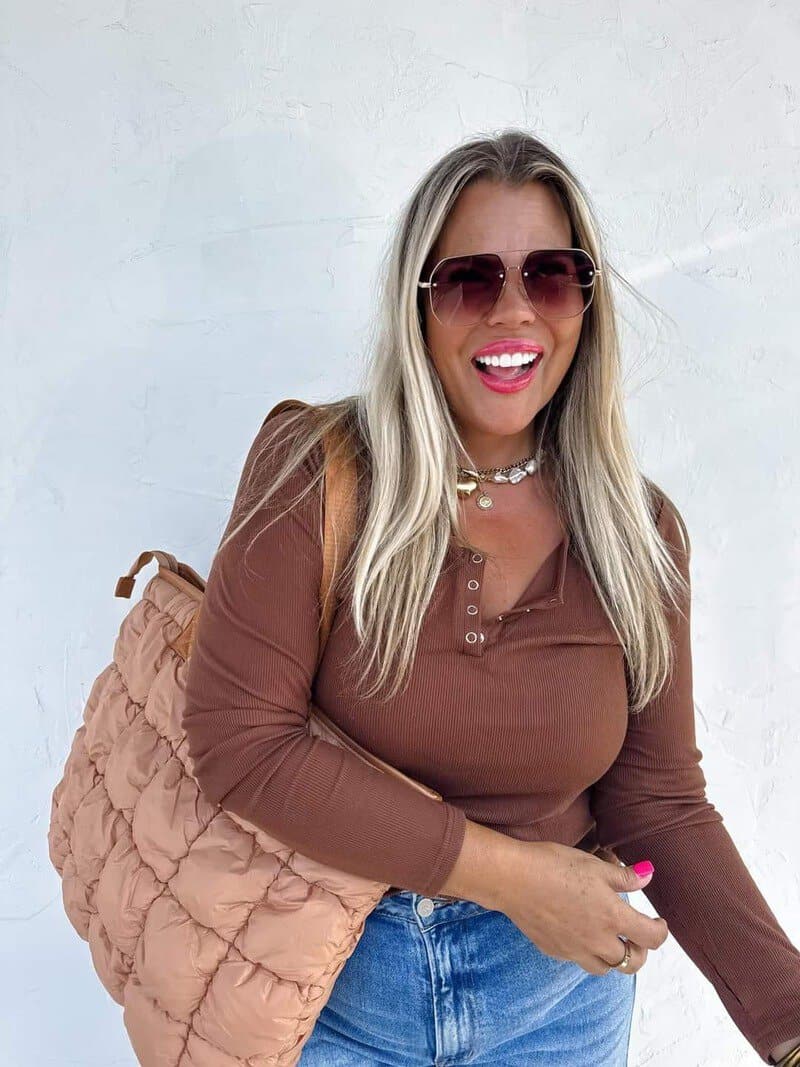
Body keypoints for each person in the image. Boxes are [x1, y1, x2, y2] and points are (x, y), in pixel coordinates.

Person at [181, 129, 800, 1066]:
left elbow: (657, 797)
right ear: (417, 304)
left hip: (559, 1012)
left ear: (585, 303)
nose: (515, 314)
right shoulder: (319, 472)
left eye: (550, 276)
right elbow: (239, 738)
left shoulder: (637, 530)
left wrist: (788, 1017)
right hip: (328, 996)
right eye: (471, 279)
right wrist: (513, 878)